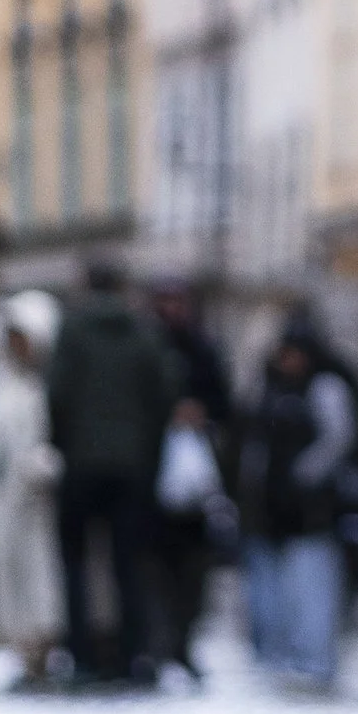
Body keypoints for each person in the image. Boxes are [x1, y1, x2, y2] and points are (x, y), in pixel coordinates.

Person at [45, 258, 180, 684]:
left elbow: (57, 394)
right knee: (130, 564)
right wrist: (147, 451)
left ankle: (82, 652)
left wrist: (64, 444)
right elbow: (165, 395)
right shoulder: (144, 333)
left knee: (76, 563)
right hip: (133, 466)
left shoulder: (72, 330)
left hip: (81, 464)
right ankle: (132, 653)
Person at [231, 312, 358, 689]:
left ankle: (315, 660)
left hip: (312, 512)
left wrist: (303, 477)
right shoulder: (270, 389)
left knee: (314, 590)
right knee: (281, 594)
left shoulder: (325, 388)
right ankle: (289, 656)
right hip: (273, 514)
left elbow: (339, 439)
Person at [0, 292, 65, 686]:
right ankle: (23, 646)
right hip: (5, 499)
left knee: (43, 574)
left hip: (41, 502)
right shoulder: (0, 384)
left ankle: (45, 643)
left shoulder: (52, 385)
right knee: (8, 573)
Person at [149, 278, 234, 680]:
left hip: (195, 486)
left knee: (192, 572)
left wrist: (201, 415)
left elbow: (225, 403)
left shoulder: (203, 350)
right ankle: (162, 643)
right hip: (154, 477)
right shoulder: (149, 347)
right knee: (156, 568)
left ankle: (183, 643)